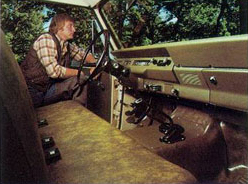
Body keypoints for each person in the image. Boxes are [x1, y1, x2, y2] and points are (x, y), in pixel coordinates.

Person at [21, 13, 96, 107]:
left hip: (48, 88)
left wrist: (95, 64)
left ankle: (79, 114)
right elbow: (54, 72)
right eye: (70, 26)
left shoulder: (66, 45)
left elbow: (83, 55)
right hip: (35, 93)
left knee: (80, 80)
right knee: (80, 77)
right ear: (59, 27)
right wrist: (85, 72)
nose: (74, 30)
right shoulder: (46, 39)